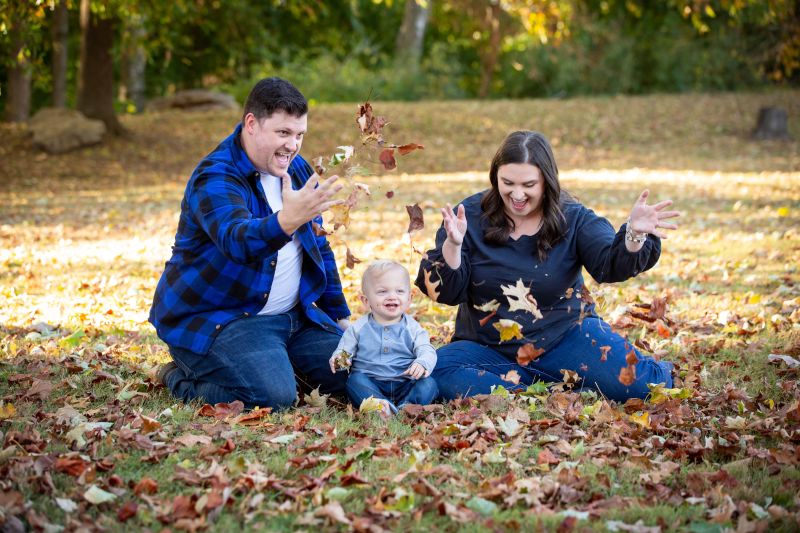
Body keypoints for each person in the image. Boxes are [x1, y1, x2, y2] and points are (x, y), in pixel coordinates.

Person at [415, 130, 680, 402]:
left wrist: (634, 235)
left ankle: (541, 382)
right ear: (495, 176)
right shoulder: (467, 215)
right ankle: (536, 390)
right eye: (507, 182)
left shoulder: (573, 218)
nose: (517, 194)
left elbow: (609, 264)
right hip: (490, 348)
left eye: (529, 185)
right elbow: (444, 293)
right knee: (434, 371)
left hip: (565, 337)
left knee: (644, 388)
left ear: (547, 181)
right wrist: (453, 246)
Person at [149, 77, 351, 410]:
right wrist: (288, 220)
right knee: (272, 397)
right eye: (283, 133)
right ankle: (176, 375)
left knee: (355, 368)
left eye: (299, 135)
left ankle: (277, 363)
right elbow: (237, 241)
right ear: (252, 124)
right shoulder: (215, 176)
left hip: (292, 318)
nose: (293, 145)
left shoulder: (296, 170)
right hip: (221, 319)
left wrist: (340, 318)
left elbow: (319, 249)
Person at [329, 260, 438, 415]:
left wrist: (422, 363)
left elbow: (426, 349)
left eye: (400, 291)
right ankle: (380, 406)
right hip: (371, 383)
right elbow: (345, 350)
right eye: (382, 292)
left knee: (429, 384)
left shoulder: (413, 328)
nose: (392, 296)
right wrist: (340, 358)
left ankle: (405, 407)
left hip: (406, 382)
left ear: (409, 298)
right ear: (366, 301)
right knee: (355, 382)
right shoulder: (358, 328)